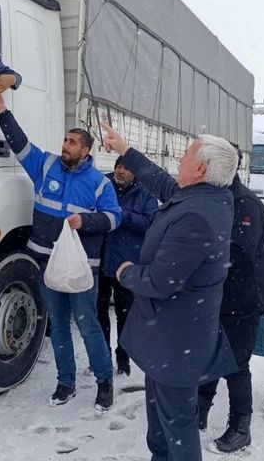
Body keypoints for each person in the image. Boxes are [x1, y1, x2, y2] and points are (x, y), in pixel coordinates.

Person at [101, 122, 238, 461]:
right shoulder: (201, 197)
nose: (179, 159)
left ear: (200, 168)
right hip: (169, 341)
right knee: (161, 428)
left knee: (177, 427)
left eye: (186, 155)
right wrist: (125, 149)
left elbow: (161, 282)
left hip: (177, 343)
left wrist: (126, 272)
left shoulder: (197, 215)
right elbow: (159, 179)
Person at [0, 91, 120, 411]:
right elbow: (20, 144)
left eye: (73, 143)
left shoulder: (99, 183)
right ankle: (65, 383)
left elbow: (115, 218)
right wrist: (2, 111)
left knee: (87, 326)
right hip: (46, 264)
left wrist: (85, 221)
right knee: (58, 326)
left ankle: (104, 382)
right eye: (65, 140)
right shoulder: (45, 166)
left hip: (81, 269)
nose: (65, 146)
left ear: (85, 151)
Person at [197, 145, 264, 453]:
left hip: (242, 298)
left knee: (235, 364)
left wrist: (193, 251)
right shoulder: (210, 197)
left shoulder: (245, 203)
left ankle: (241, 427)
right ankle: (200, 410)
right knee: (207, 356)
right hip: (214, 296)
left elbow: (238, 253)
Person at [98, 155, 158, 377]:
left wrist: (121, 214)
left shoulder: (146, 193)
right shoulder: (104, 184)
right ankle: (102, 356)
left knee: (125, 315)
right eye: (119, 166)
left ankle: (123, 357)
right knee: (98, 312)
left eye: (126, 168)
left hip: (127, 265)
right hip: (101, 260)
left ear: (135, 173)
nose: (121, 171)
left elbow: (150, 224)